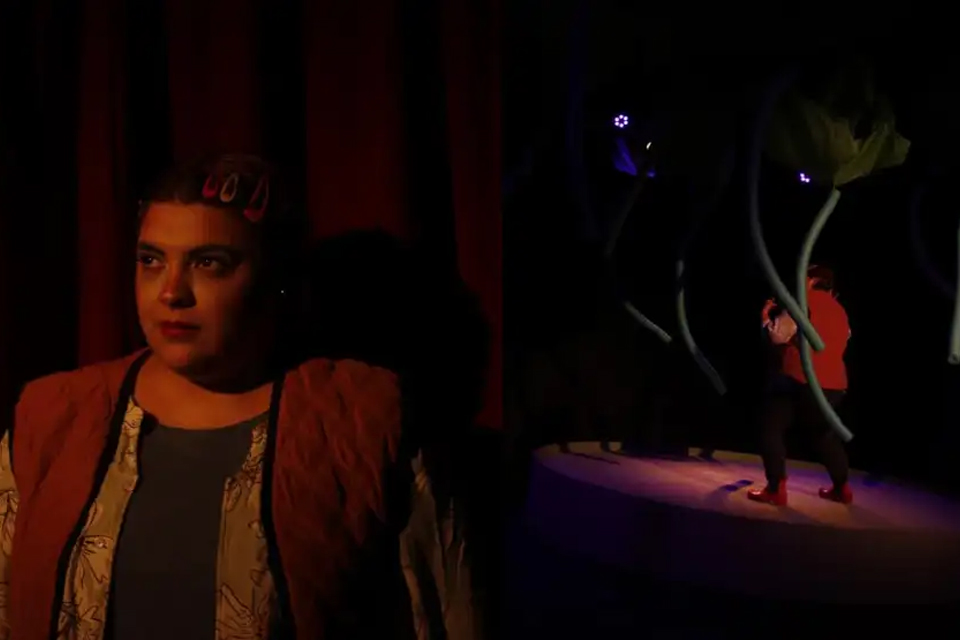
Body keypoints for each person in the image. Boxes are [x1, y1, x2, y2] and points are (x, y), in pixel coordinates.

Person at [0, 154, 468, 640]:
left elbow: (447, 611)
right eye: (151, 260)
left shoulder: (363, 421)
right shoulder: (55, 415)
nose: (171, 292)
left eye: (208, 263)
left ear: (275, 279)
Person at [748, 265, 853, 506]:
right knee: (824, 436)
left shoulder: (802, 303)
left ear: (812, 281)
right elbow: (845, 337)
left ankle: (776, 488)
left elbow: (777, 337)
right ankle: (842, 488)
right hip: (834, 385)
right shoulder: (840, 309)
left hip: (800, 379)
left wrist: (765, 318)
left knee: (770, 426)